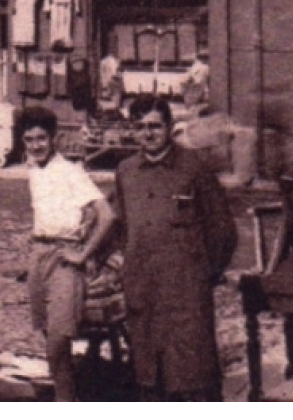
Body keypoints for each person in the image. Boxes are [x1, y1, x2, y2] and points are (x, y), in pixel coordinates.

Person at [114, 95, 237, 401]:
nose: (148, 134)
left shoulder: (194, 168)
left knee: (191, 374)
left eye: (155, 126)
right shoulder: (126, 171)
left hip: (186, 294)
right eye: (140, 127)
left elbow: (223, 231)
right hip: (143, 290)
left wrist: (201, 275)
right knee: (148, 374)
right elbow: (121, 226)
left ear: (169, 127)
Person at [18, 104, 115, 402]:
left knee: (59, 342)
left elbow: (107, 215)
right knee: (50, 340)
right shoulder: (33, 170)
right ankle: (67, 398)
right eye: (29, 139)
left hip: (65, 260)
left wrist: (83, 254)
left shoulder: (71, 171)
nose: (36, 145)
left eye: (41, 139)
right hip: (39, 257)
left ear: (54, 139)